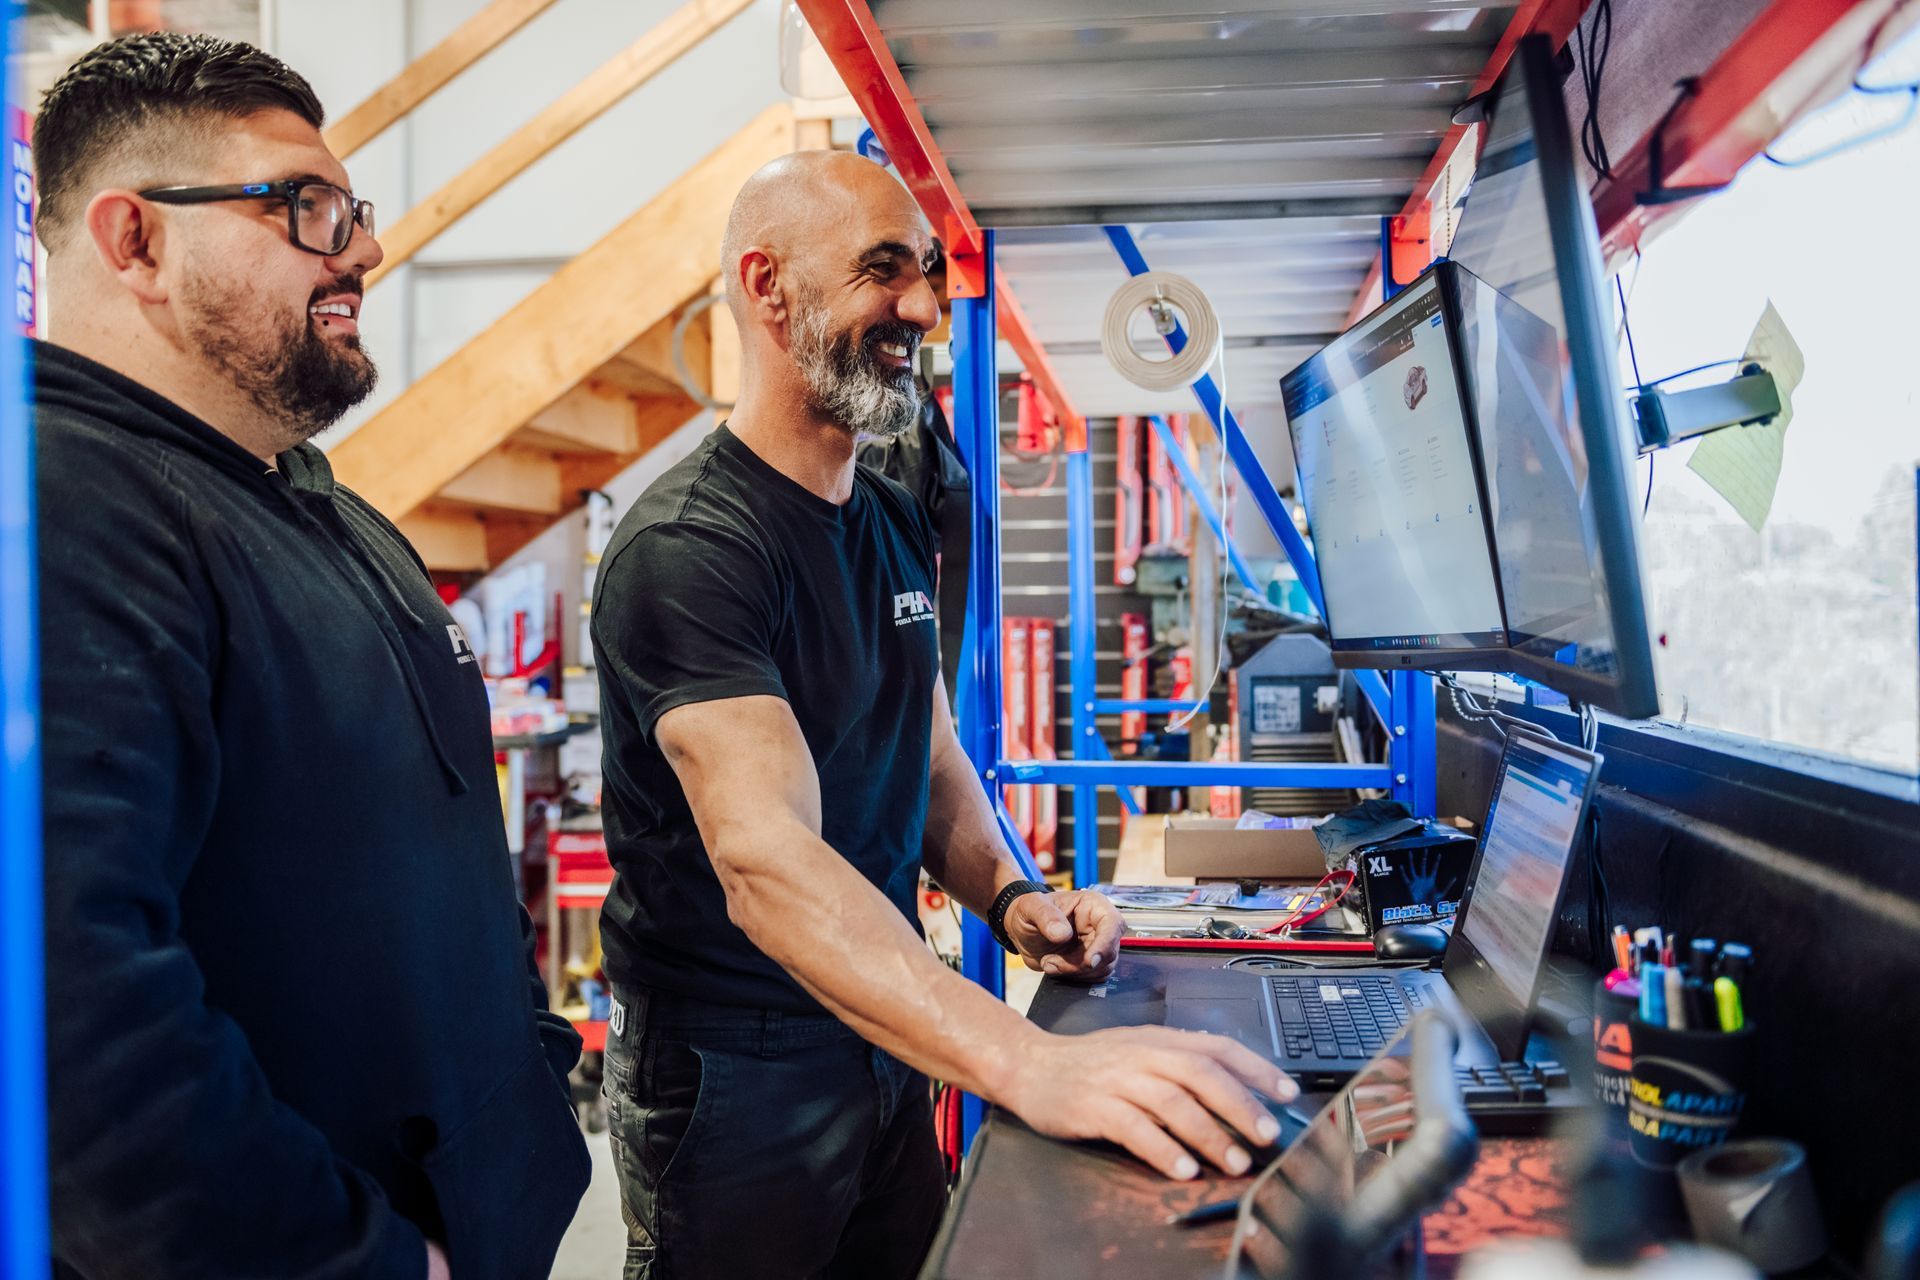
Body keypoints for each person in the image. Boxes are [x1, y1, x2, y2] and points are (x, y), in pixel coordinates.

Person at [590, 149, 1299, 1280]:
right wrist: (1028, 1062)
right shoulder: (692, 548)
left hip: (880, 1019)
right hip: (735, 1062)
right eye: (885, 270)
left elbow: (919, 752)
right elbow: (767, 861)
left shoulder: (880, 511)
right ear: (767, 286)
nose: (922, 305)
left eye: (923, 270)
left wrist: (1014, 897)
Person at [34, 33, 588, 1280]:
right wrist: (366, 1260)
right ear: (137, 242)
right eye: (306, 208)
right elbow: (67, 1017)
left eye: (353, 208)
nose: (365, 248)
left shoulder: (317, 508)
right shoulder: (65, 511)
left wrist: (532, 1078)